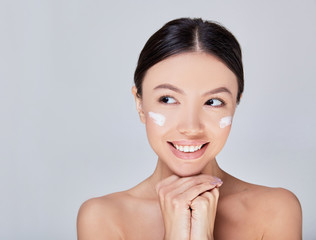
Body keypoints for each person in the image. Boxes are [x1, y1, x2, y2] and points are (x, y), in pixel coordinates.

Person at [76, 18, 302, 239]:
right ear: (140, 104)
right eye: (167, 99)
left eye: (213, 102)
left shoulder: (275, 211)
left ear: (235, 103)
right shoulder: (102, 218)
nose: (191, 127)